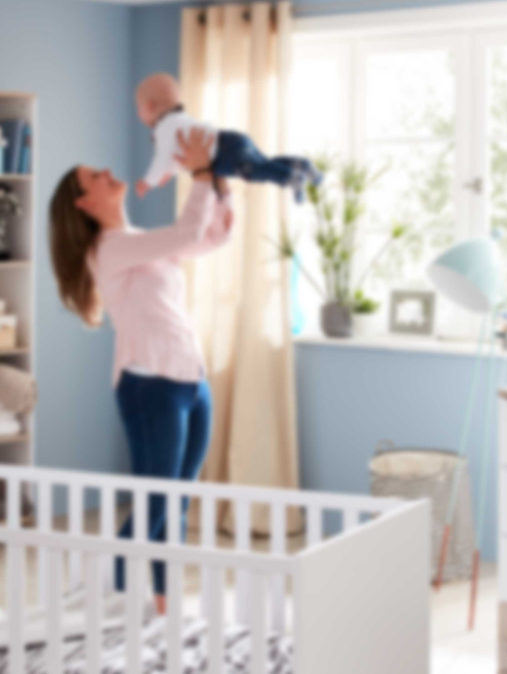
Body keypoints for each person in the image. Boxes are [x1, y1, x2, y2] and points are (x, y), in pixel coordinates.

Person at [48, 128, 232, 611]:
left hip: (191, 379)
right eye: (95, 178)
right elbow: (190, 232)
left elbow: (213, 235)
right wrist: (201, 174)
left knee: (177, 503)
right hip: (150, 386)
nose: (110, 173)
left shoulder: (140, 242)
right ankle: (110, 605)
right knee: (156, 502)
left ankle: (162, 607)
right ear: (84, 204)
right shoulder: (108, 249)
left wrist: (220, 185)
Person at [135, 72, 320, 202]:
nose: (138, 112)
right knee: (265, 164)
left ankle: (290, 177)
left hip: (224, 155)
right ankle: (301, 165)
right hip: (231, 139)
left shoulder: (164, 129)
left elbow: (163, 158)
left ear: (150, 106)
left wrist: (147, 182)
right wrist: (168, 173)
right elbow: (177, 157)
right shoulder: (178, 121)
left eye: (138, 107)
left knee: (255, 172)